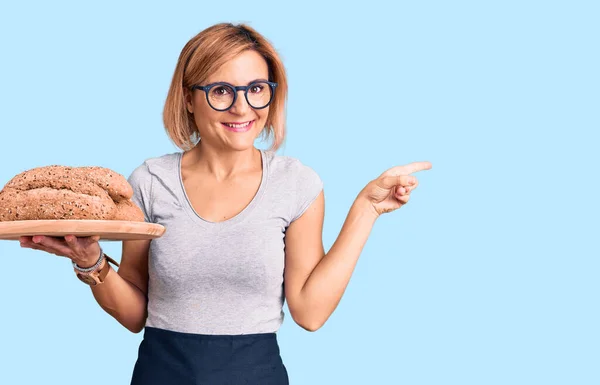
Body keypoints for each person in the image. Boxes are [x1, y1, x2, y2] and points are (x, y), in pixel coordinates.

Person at [18, 23, 431, 384]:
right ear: (188, 98)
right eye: (220, 90)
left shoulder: (296, 184)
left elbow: (310, 312)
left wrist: (366, 209)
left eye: (256, 89)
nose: (241, 107)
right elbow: (133, 315)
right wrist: (90, 260)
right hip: (161, 374)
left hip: (258, 375)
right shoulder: (149, 181)